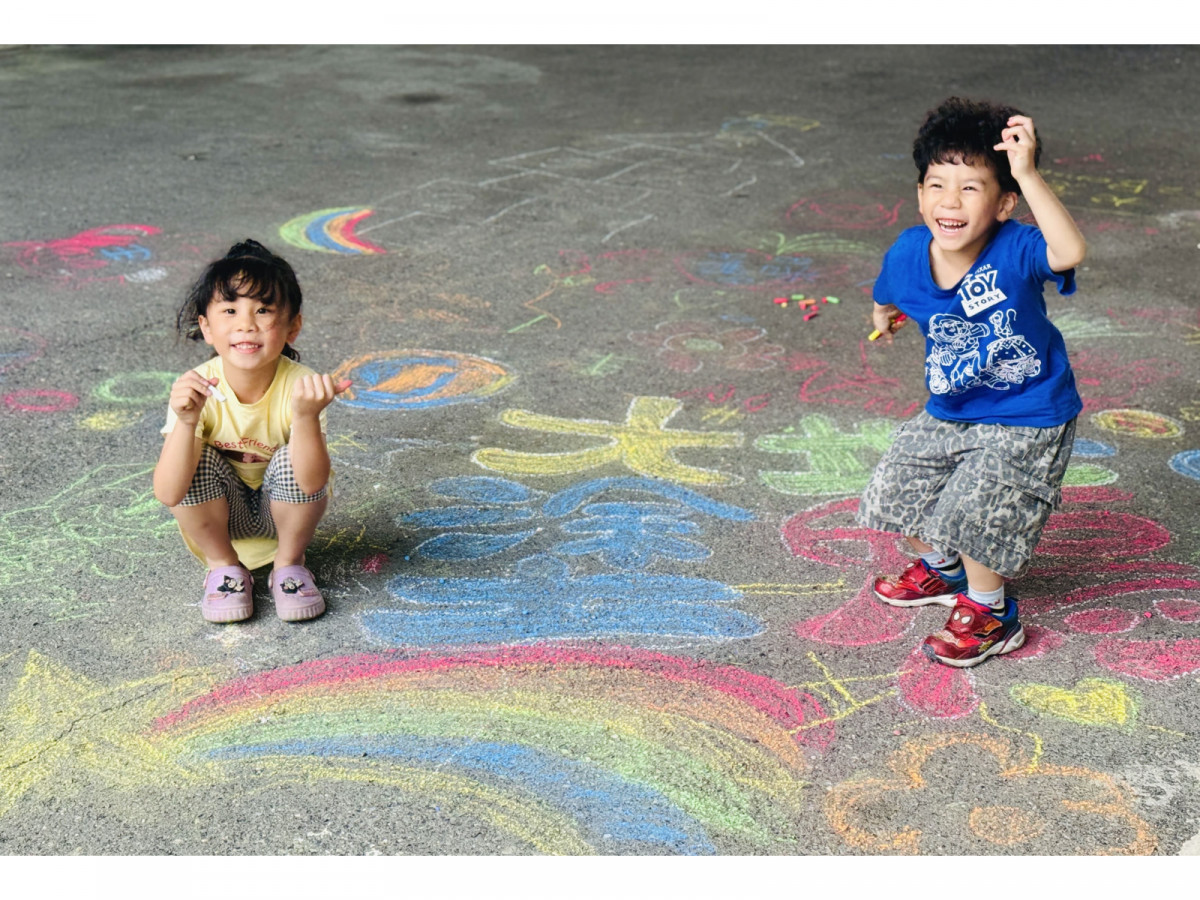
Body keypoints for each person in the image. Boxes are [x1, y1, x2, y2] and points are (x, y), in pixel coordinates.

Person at [857, 97, 1087, 667]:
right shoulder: (909, 251)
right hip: (953, 408)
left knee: (974, 510)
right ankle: (945, 571)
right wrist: (883, 315)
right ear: (919, 195)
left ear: (1004, 202)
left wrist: (1026, 171)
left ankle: (992, 613)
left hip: (1028, 412)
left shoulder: (1016, 248)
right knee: (894, 494)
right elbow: (887, 292)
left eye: (970, 188)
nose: (950, 201)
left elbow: (1069, 250)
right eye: (937, 185)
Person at [153, 239, 350, 623]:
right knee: (191, 457)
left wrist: (306, 417)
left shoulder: (301, 386)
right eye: (230, 310)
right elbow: (168, 492)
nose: (246, 324)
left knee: (294, 456)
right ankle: (224, 568)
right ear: (206, 328)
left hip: (283, 518)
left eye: (263, 310)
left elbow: (312, 483)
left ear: (293, 326)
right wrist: (187, 421)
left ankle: (289, 565)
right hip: (223, 519)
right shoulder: (196, 388)